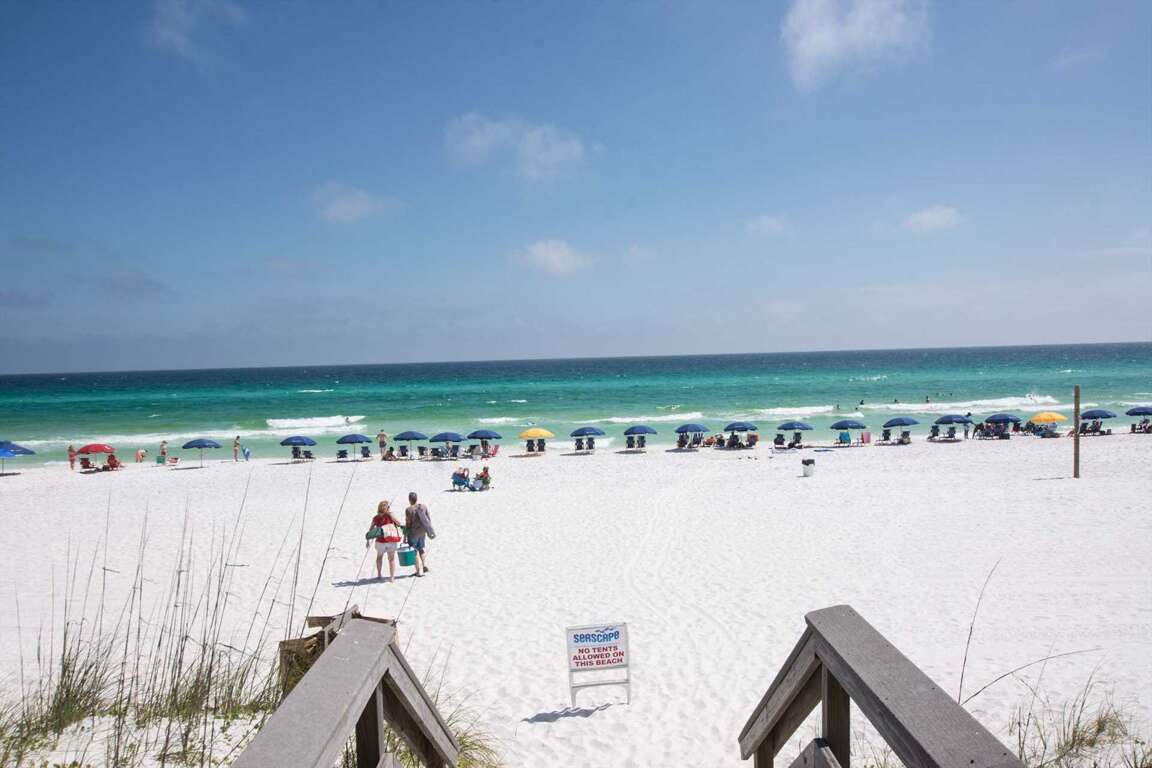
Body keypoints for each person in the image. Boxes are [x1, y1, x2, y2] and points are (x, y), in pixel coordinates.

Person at [368, 501, 404, 582]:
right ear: (387, 508)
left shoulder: (375, 518)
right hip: (391, 540)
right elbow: (398, 523)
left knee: (379, 557)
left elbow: (370, 529)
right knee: (391, 559)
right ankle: (392, 577)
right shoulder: (390, 516)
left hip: (380, 541)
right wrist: (391, 515)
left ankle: (379, 574)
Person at [404, 492, 435, 577]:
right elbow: (428, 519)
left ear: (409, 500)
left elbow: (408, 523)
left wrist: (405, 535)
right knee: (421, 549)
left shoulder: (408, 510)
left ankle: (419, 571)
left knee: (414, 551)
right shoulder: (423, 507)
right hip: (423, 531)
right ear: (416, 498)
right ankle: (424, 566)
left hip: (413, 533)